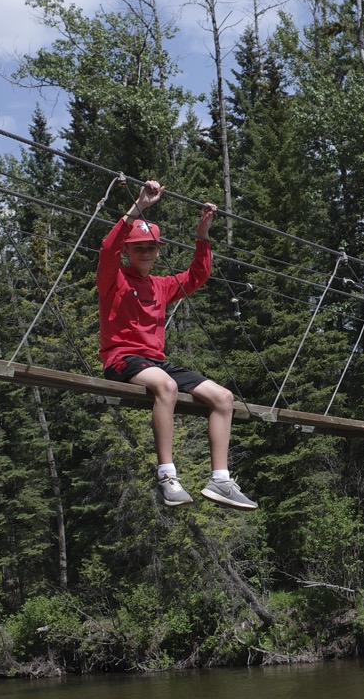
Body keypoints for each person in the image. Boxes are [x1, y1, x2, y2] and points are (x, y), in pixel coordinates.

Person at [97, 179, 258, 511]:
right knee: (167, 386)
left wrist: (203, 233)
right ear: (127, 250)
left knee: (224, 398)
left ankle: (220, 480)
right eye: (138, 247)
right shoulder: (114, 279)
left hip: (153, 363)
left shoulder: (161, 285)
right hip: (122, 359)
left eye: (151, 247)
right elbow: (106, 249)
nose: (145, 252)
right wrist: (139, 206)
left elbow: (198, 275)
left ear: (158, 251)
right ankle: (167, 475)